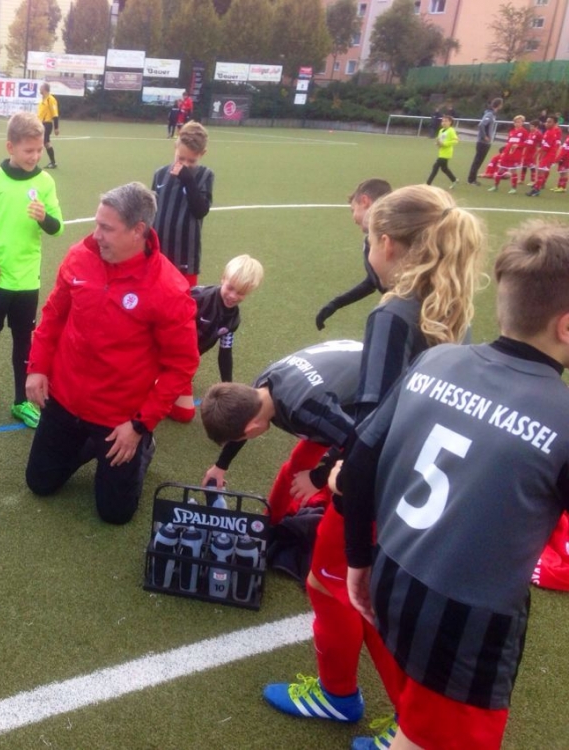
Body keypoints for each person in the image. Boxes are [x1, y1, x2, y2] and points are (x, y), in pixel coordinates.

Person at [263, 185, 485, 750]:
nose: (366, 252)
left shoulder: (393, 314)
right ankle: (368, 706)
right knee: (354, 594)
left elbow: (373, 421)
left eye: (367, 240)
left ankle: (370, 710)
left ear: (386, 244)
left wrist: (335, 474)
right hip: (420, 485)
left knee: (339, 588)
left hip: (377, 487)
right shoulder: (449, 303)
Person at [339, 220, 569, 750]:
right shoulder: (560, 416)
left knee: (419, 723)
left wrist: (358, 559)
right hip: (466, 620)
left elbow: (359, 463)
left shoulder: (437, 358)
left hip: (393, 574)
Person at [24, 182, 199, 525]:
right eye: (97, 224)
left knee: (115, 514)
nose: (96, 235)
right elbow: (54, 315)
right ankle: (90, 446)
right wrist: (37, 367)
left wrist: (140, 425)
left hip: (119, 417)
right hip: (65, 398)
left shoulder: (168, 288)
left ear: (138, 231)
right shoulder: (80, 256)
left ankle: (143, 447)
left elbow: (182, 365)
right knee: (39, 483)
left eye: (107, 228)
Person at [0, 111, 64, 428]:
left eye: (39, 150)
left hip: (26, 279)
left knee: (24, 340)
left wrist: (44, 218)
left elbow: (58, 227)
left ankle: (21, 401)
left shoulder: (45, 182)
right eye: (28, 150)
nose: (35, 156)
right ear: (11, 147)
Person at [199, 339, 364, 525]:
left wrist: (318, 478)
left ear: (251, 428)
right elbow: (242, 421)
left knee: (350, 483)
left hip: (379, 394)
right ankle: (271, 523)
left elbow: (365, 446)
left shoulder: (309, 411)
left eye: (242, 436)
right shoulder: (260, 388)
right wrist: (221, 465)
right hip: (339, 382)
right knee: (298, 466)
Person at [169, 254, 264, 423]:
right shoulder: (197, 296)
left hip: (184, 364)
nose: (233, 296)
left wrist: (229, 387)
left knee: (184, 414)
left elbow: (225, 353)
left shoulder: (233, 320)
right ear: (223, 278)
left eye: (241, 293)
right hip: (162, 353)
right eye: (230, 288)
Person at [314, 178, 392, 331]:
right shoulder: (375, 239)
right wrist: (336, 303)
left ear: (365, 201)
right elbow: (373, 282)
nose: (353, 218)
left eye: (353, 210)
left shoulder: (390, 239)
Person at [151, 121, 214, 286]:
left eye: (191, 161)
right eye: (181, 158)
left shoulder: (205, 175)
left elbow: (200, 210)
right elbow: (152, 211)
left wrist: (188, 179)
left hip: (185, 254)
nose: (185, 164)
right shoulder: (160, 174)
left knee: (184, 296)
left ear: (202, 153)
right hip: (159, 252)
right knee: (156, 292)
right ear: (175, 147)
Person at [467, 97, 503, 186]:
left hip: (485, 143)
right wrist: (485, 136)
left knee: (479, 161)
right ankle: (471, 180)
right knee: (477, 161)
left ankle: (472, 179)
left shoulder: (492, 114)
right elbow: (481, 125)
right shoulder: (489, 114)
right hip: (483, 142)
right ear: (499, 105)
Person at [489, 115, 527, 193]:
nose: (517, 123)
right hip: (507, 154)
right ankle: (495, 186)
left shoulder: (524, 132)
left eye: (519, 122)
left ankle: (513, 188)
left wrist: (518, 145)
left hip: (516, 154)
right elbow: (508, 143)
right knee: (500, 169)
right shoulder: (511, 132)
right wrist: (504, 152)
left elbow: (526, 143)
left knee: (513, 171)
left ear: (522, 123)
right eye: (516, 122)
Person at [527, 117, 561, 196]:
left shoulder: (551, 133)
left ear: (554, 124)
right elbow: (544, 145)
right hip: (546, 155)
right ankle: (537, 187)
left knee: (541, 171)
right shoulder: (547, 131)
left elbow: (546, 147)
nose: (547, 123)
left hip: (548, 155)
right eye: (546, 121)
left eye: (549, 122)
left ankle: (536, 190)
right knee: (541, 171)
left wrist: (539, 155)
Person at [426, 114, 459, 188]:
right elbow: (439, 140)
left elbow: (455, 141)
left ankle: (428, 184)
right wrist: (437, 143)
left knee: (435, 166)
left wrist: (444, 144)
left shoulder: (451, 131)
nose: (444, 123)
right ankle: (454, 180)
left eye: (446, 121)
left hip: (447, 153)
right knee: (444, 169)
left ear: (450, 122)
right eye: (443, 121)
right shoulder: (441, 131)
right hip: (441, 152)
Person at [37, 83, 59, 169]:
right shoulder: (43, 100)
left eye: (41, 88)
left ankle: (33, 161)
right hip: (41, 124)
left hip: (47, 124)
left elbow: (55, 114)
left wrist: (56, 128)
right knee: (46, 143)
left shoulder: (51, 99)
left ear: (44, 89)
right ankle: (53, 162)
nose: (39, 89)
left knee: (42, 142)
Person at [519, 119, 541, 186]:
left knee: (532, 167)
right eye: (530, 126)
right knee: (524, 166)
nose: (530, 128)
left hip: (532, 153)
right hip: (527, 152)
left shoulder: (539, 134)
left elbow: (540, 144)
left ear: (536, 127)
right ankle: (521, 179)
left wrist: (537, 152)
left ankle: (533, 181)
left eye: (532, 126)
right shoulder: (530, 133)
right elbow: (527, 142)